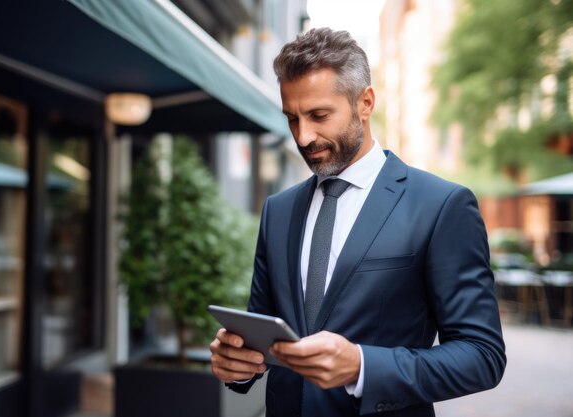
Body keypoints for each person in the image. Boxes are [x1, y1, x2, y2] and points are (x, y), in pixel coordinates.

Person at [209, 27, 506, 417]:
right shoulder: (277, 211)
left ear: (365, 103)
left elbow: (482, 356)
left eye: (318, 115)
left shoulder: (441, 206)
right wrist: (238, 364)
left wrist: (364, 367)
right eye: (292, 119)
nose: (303, 136)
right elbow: (264, 333)